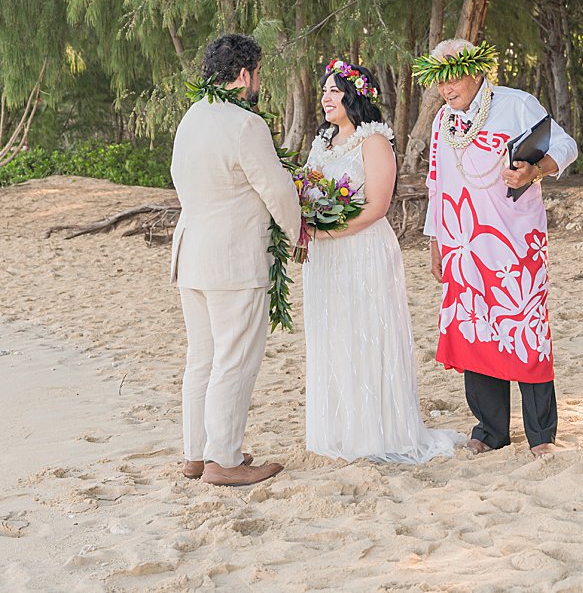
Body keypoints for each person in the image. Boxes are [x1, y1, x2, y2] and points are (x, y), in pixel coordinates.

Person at [416, 39, 578, 457]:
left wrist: (535, 170)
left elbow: (565, 146)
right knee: (475, 331)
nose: (446, 89)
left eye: (452, 78)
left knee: (525, 332)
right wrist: (436, 240)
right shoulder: (442, 122)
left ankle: (541, 435)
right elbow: (436, 184)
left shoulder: (515, 103)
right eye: (439, 82)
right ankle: (490, 430)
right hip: (461, 243)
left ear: (475, 71)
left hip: (514, 241)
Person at [302, 59, 459, 462]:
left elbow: (376, 206)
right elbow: (305, 193)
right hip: (325, 259)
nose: (326, 97)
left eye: (335, 90)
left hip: (363, 251)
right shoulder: (322, 143)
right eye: (325, 90)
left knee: (365, 333)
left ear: (355, 96)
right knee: (332, 335)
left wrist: (322, 231)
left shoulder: (374, 142)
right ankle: (339, 429)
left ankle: (375, 433)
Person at [170, 34, 302, 486]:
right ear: (243, 74)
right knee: (234, 359)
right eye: (257, 72)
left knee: (201, 358)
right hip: (234, 259)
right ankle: (223, 460)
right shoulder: (245, 125)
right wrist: (296, 233)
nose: (257, 81)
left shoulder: (190, 120)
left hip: (191, 257)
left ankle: (196, 453)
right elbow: (277, 189)